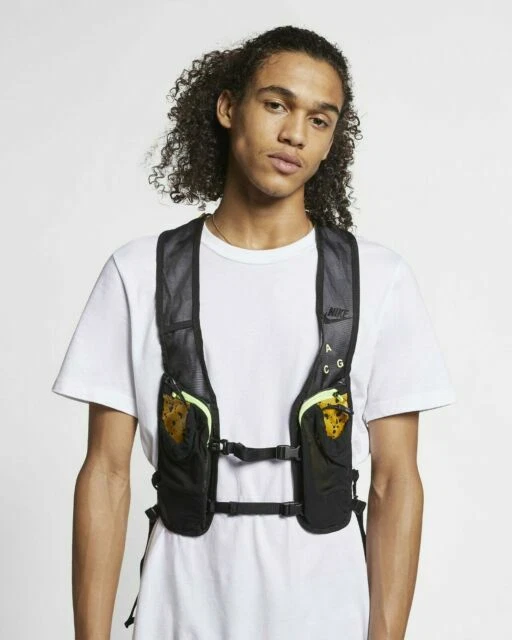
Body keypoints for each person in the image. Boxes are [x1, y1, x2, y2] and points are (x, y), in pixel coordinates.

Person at [51, 25, 456, 640]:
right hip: (178, 614)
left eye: (319, 120)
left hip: (329, 618)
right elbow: (105, 475)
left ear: (331, 141)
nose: (295, 133)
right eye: (276, 105)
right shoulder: (138, 273)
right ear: (227, 108)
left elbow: (396, 481)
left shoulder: (379, 279)